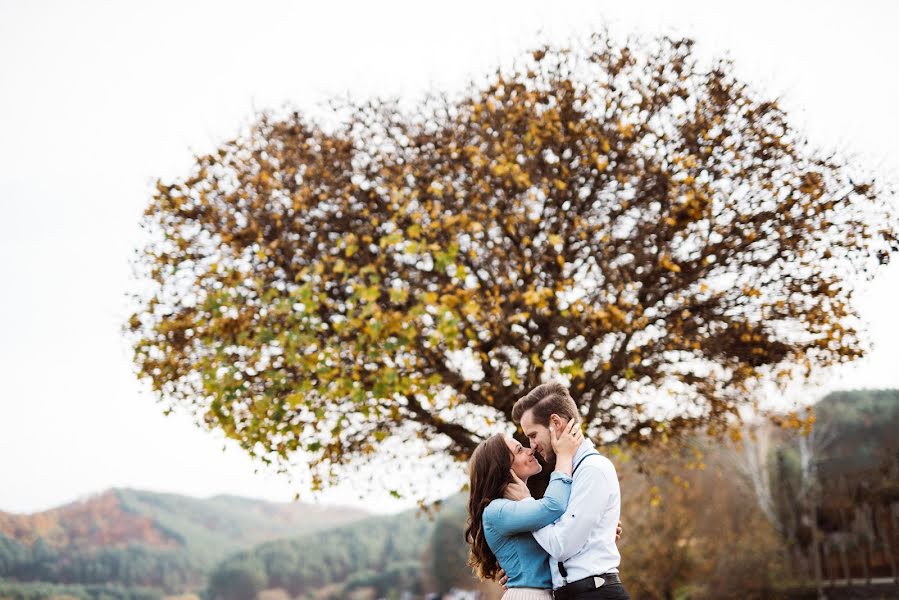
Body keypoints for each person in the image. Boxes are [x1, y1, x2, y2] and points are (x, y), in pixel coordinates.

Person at [509, 381, 631, 600]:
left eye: (533, 435)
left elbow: (561, 545)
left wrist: (527, 505)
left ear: (555, 423)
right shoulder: (564, 476)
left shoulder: (593, 470)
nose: (532, 445)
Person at [465, 420, 585, 599]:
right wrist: (564, 456)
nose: (531, 450)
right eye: (519, 450)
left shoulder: (522, 507)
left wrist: (594, 526)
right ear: (503, 468)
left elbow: (560, 534)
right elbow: (554, 505)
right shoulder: (497, 511)